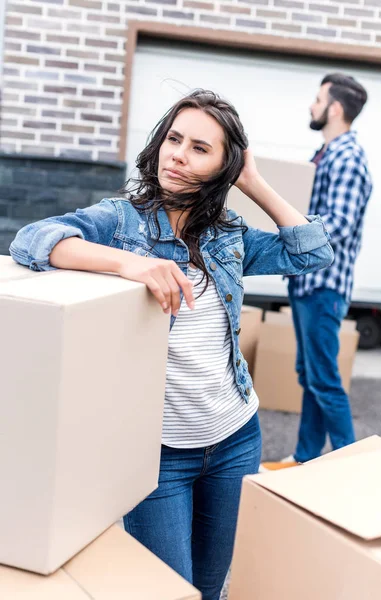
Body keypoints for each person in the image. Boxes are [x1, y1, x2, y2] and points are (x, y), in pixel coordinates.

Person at [10, 90, 333, 600]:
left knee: (209, 585)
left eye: (200, 148)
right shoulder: (122, 222)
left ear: (223, 166)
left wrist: (253, 181)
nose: (177, 154)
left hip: (236, 437)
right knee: (166, 590)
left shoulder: (227, 234)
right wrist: (131, 263)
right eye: (173, 138)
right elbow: (31, 239)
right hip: (157, 453)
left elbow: (311, 254)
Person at [263, 73, 372, 471]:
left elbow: (339, 223)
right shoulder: (323, 155)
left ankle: (350, 466)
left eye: (318, 99)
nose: (312, 105)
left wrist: (294, 231)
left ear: (336, 108)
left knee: (324, 377)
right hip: (307, 281)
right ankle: (306, 456)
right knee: (310, 373)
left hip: (324, 285)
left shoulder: (346, 158)